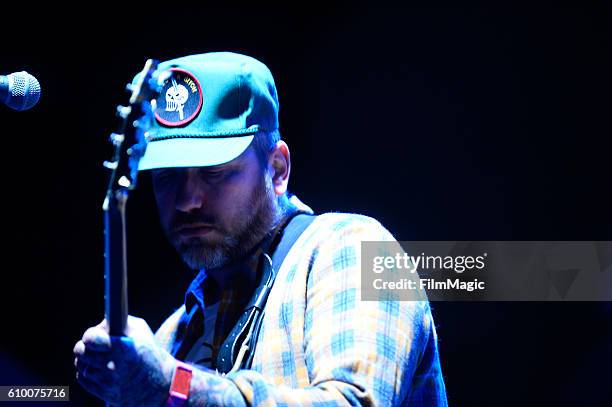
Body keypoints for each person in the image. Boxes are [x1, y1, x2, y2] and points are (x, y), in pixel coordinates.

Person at [73, 52, 448, 406]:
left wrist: (172, 385)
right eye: (168, 177)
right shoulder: (171, 338)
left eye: (214, 173)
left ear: (278, 169)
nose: (187, 200)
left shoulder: (354, 249)